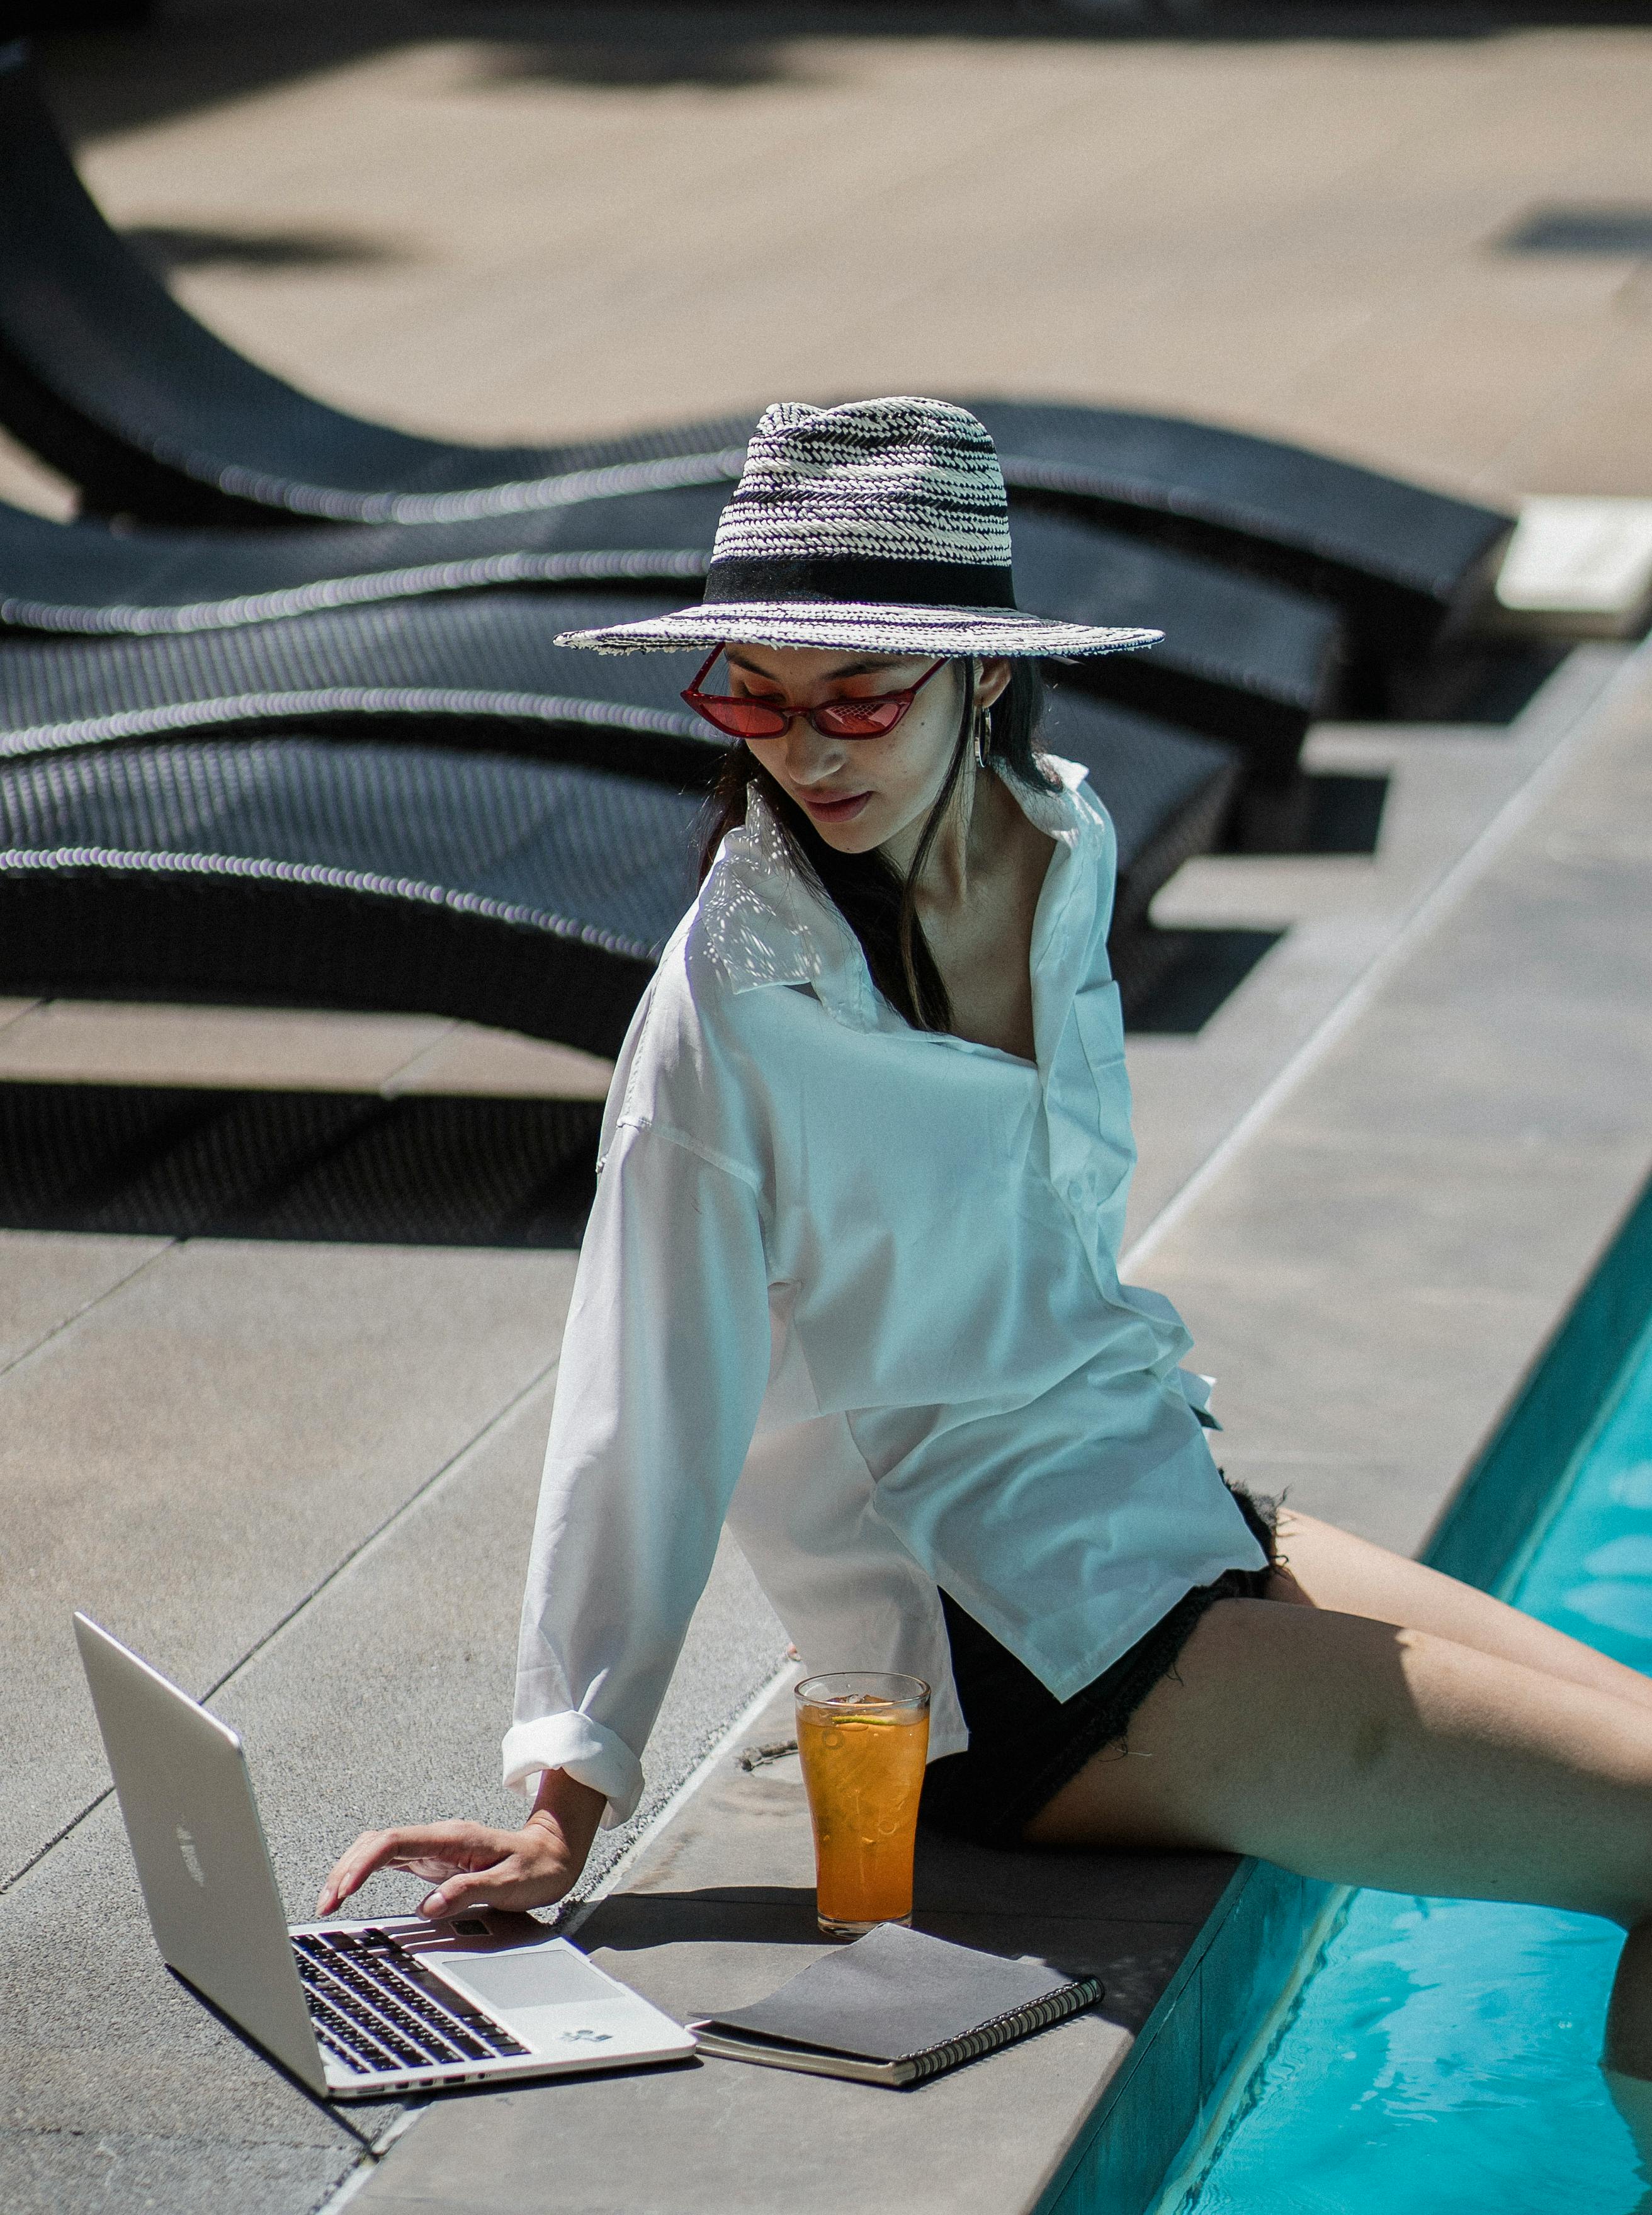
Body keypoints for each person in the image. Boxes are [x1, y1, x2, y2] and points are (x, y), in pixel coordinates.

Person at [320, 397, 1652, 2123]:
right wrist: (566, 1786)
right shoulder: (731, 1010)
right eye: (754, 696)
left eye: (862, 696)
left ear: (987, 681)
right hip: (1013, 1652)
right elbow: (641, 1397)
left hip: (1159, 1512)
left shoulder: (1064, 843)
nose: (807, 750)